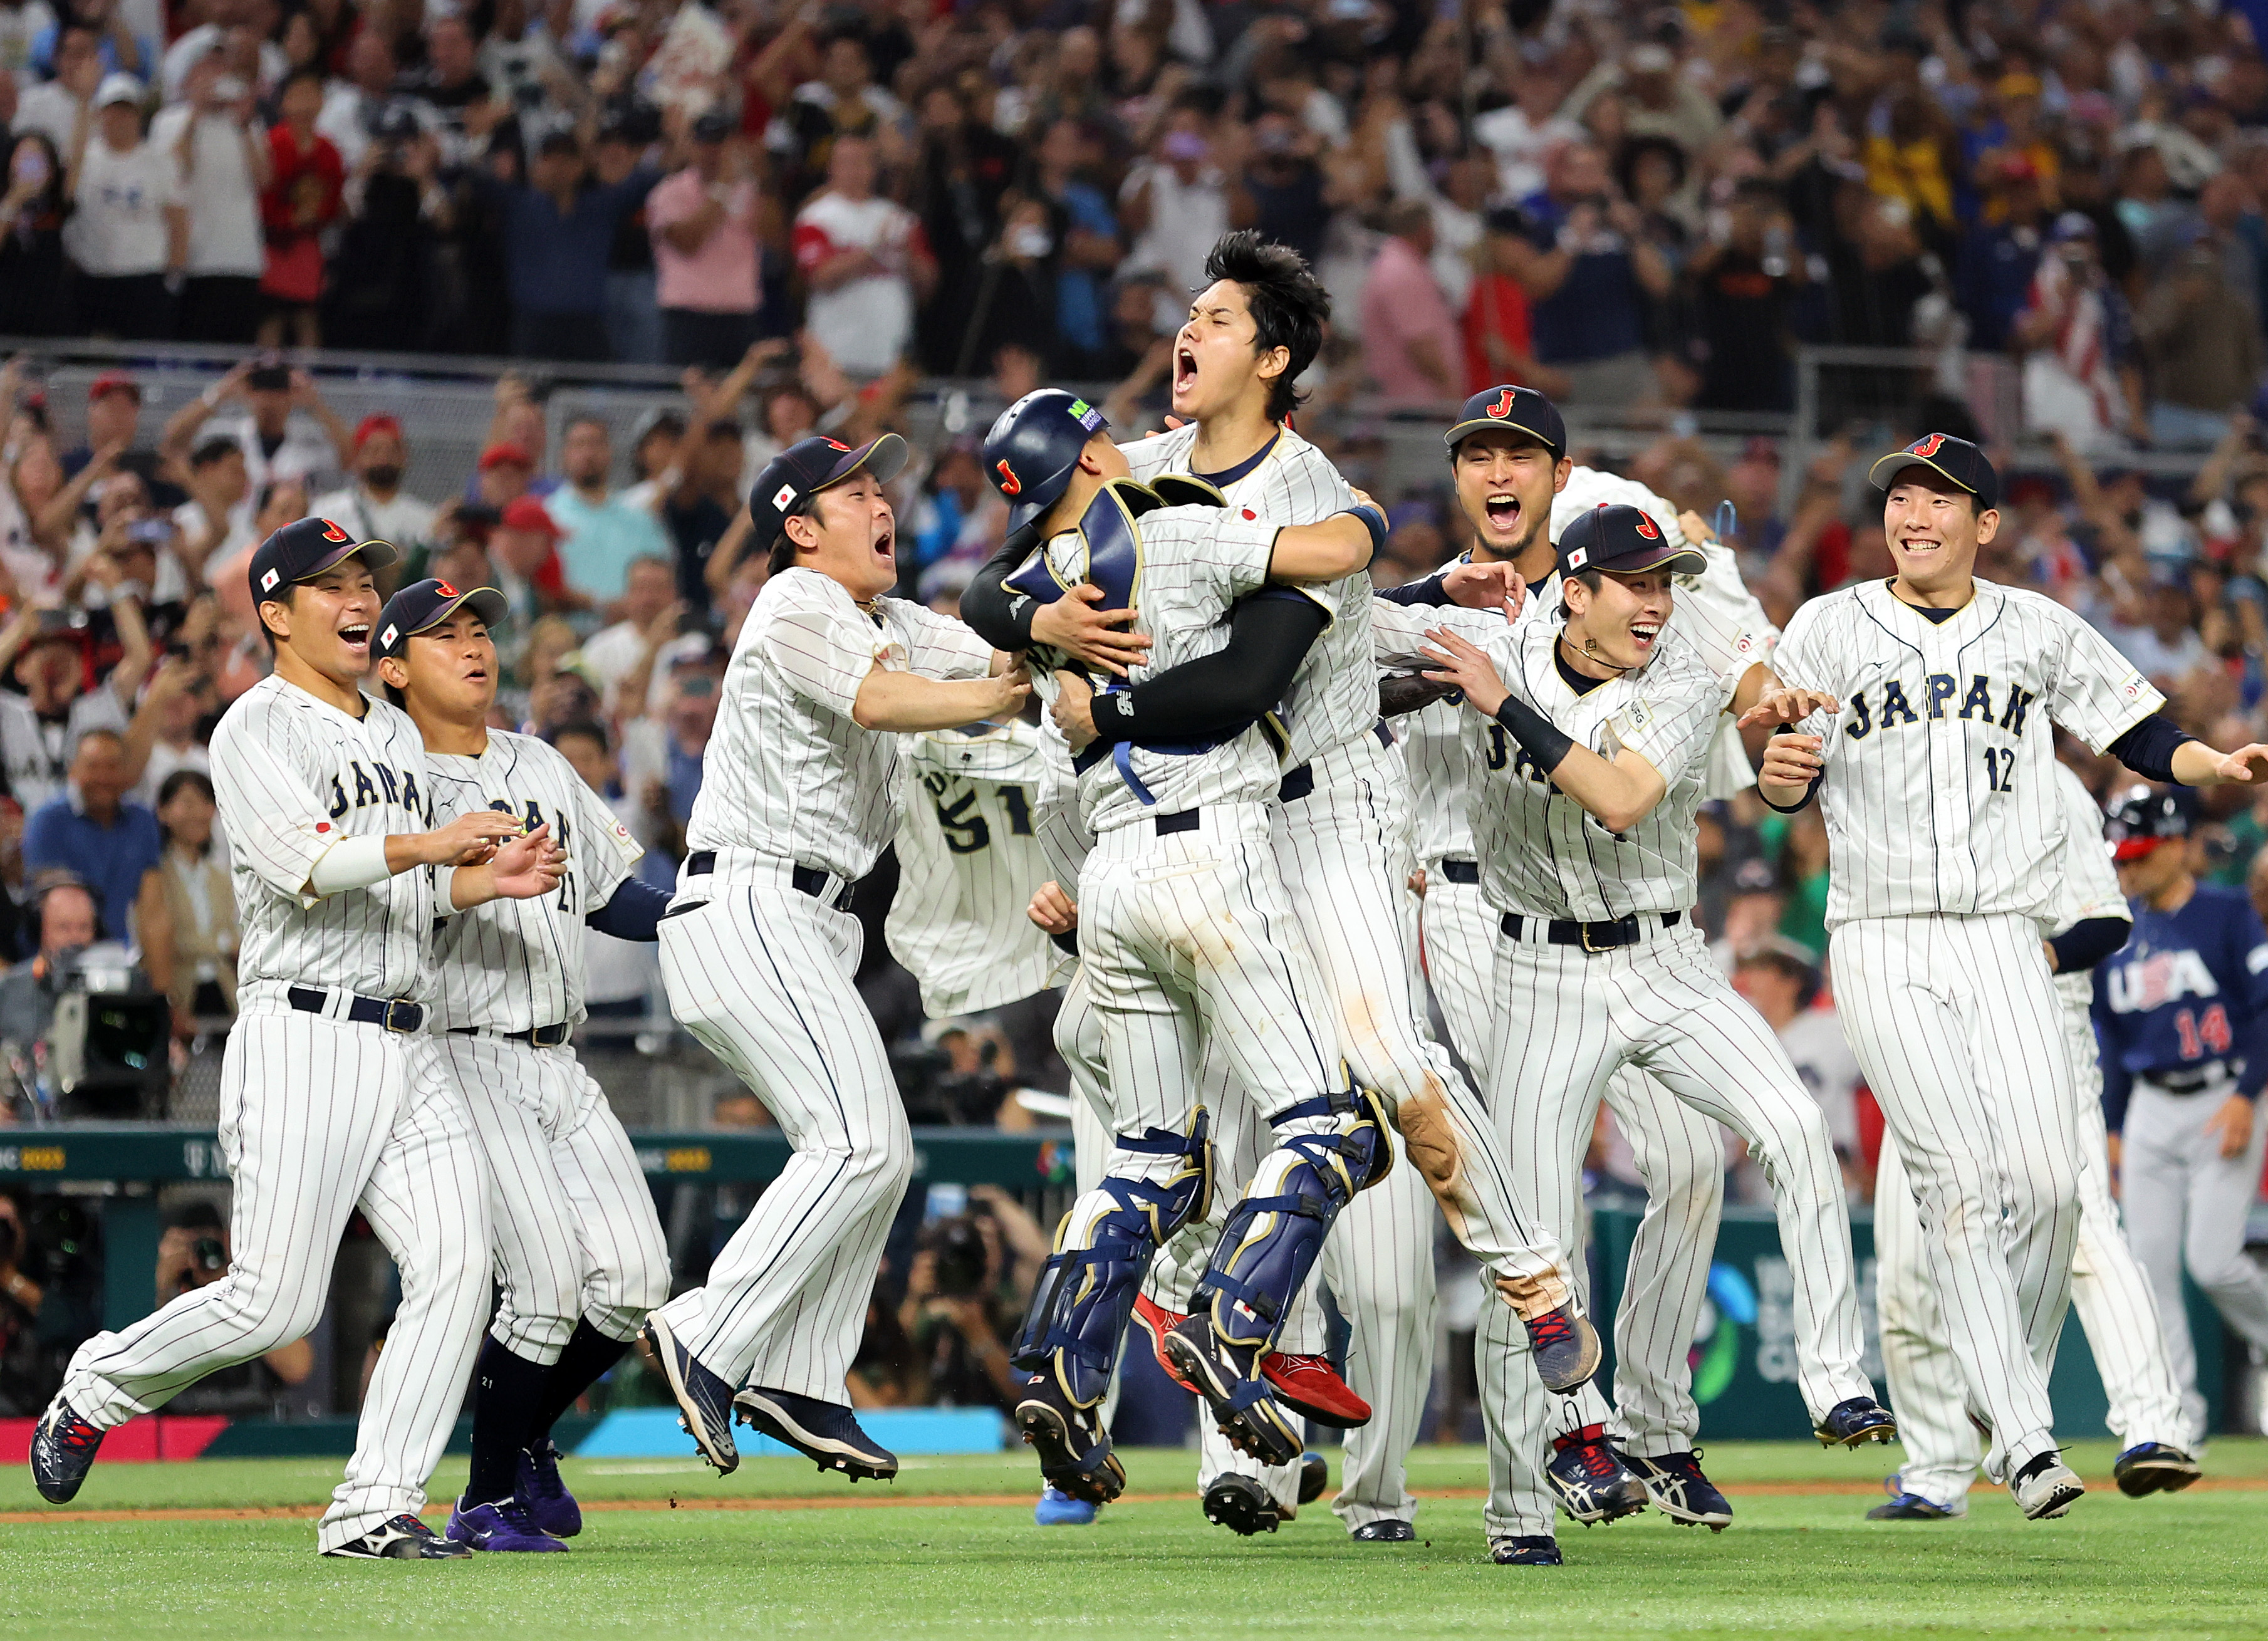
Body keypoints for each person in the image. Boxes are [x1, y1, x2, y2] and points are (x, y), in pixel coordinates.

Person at [965, 249, 1593, 1546]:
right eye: (1186, 316)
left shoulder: (1312, 493)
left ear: (1275, 358)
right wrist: (1047, 632)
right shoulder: (1134, 462)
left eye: (1213, 320)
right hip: (1211, 827)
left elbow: (1280, 645)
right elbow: (989, 584)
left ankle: (1536, 1295)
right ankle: (1229, 1391)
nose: (1183, 336)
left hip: (1328, 806)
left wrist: (1385, 584)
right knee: (1246, 1119)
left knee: (1381, 1069)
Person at [1746, 432, 2268, 1521]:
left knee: (2054, 1186)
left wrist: (2208, 764)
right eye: (1902, 497)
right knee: (1962, 1183)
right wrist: (1782, 775)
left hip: (2000, 934)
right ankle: (2026, 1438)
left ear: (1986, 523)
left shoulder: (2033, 624)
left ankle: (2003, 1388)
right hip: (1883, 932)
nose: (1915, 514)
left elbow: (2134, 725)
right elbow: (1786, 766)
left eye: (1942, 499)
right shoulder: (1829, 624)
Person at [28, 515, 563, 1559]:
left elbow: (407, 884)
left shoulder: (398, 732)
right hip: (303, 1032)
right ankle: (95, 1384)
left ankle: (373, 1506)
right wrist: (430, 841)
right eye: (331, 583)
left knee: (459, 1264)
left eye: (365, 576)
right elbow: (305, 862)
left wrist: (471, 879)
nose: (360, 595)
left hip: (411, 1036)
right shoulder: (252, 727)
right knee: (276, 1303)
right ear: (274, 611)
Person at [1412, 504, 1888, 1567]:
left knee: (1793, 1129)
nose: (1656, 600)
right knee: (1532, 1248)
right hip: (1535, 969)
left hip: (1669, 958)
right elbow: (1356, 649)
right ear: (1572, 590)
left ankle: (1835, 1379)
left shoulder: (1679, 665)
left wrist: (1507, 708)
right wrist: (1420, 615)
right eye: (1633, 582)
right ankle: (1517, 1506)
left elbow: (1622, 796)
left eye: (1664, 579)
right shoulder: (1494, 642)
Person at [974, 390, 1397, 1506]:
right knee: (1334, 1127)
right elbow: (1340, 548)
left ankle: (1061, 1366)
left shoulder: (1041, 579)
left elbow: (985, 597)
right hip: (1212, 854)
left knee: (1156, 1152)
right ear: (1096, 450)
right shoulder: (1175, 514)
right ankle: (1232, 1318)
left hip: (1109, 874)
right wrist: (1366, 514)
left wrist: (1034, 623)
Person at [639, 433, 1027, 1484]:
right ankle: (708, 1331)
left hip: (811, 921)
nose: (878, 500)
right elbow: (883, 701)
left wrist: (1048, 631)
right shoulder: (796, 599)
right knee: (858, 1140)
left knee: (880, 1150)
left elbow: (998, 661)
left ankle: (804, 1374)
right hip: (752, 895)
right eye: (854, 489)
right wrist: (998, 697)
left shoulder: (887, 619)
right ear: (800, 526)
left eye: (879, 486)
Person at [372, 576, 672, 1553]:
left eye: (478, 630)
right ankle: (486, 1497)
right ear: (393, 666)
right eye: (442, 634)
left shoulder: (537, 759)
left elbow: (614, 892)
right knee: (542, 1284)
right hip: (459, 1052)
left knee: (633, 1278)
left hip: (557, 1053)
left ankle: (525, 1430)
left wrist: (708, 911)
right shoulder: (390, 779)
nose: (472, 646)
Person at [1873, 766, 2199, 1521]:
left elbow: (2103, 919)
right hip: (1921, 1032)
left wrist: (2014, 966)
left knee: (2079, 1226)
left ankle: (2152, 1424)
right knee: (1905, 1269)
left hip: (2038, 1024)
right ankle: (1934, 1471)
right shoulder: (1893, 767)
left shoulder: (2048, 785)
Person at [2093, 788, 2268, 1455]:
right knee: (2148, 1270)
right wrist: (2110, 1125)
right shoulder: (2114, 926)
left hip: (2221, 1093)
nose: (2126, 870)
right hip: (2146, 1106)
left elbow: (2262, 1011)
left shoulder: (2224, 913)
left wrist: (2246, 1094)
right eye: (2121, 858)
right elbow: (2107, 1039)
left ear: (2174, 846)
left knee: (2214, 1261)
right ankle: (2174, 1420)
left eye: (2137, 855)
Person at [151, 50, 270, 345]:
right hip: (194, 260)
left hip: (241, 259)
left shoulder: (248, 124)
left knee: (238, 353)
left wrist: (243, 124)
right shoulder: (169, 121)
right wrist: (196, 114)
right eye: (207, 73)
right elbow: (175, 173)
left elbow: (264, 180)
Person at [792, 134, 933, 379]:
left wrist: (907, 254)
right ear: (832, 168)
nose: (854, 170)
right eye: (846, 162)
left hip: (890, 353)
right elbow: (820, 277)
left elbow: (928, 286)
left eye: (862, 162)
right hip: (835, 354)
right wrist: (874, 249)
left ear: (874, 168)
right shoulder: (817, 217)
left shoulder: (899, 218)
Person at [62, 73, 184, 342]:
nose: (120, 118)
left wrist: (174, 274)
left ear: (139, 114)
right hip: (94, 275)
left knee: (145, 359)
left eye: (127, 110)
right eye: (113, 110)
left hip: (145, 276)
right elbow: (67, 193)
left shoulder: (160, 160)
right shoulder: (87, 159)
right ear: (100, 115)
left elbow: (177, 219)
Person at [0, 598, 150, 814]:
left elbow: (140, 658)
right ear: (21, 669)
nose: (59, 660)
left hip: (87, 836)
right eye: (45, 652)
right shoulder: (9, 714)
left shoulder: (96, 710)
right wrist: (21, 627)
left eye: (70, 654)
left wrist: (115, 588)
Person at [647, 110, 763, 369]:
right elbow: (687, 242)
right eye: (705, 144)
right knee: (686, 401)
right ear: (692, 146)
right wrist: (723, 188)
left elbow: (775, 238)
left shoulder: (750, 190)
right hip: (688, 314)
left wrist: (761, 177)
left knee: (742, 403)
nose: (712, 152)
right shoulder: (669, 192)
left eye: (720, 143)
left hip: (739, 312)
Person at [22, 726, 159, 940]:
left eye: (112, 767)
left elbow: (154, 910)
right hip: (61, 956)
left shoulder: (142, 821)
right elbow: (50, 905)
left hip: (120, 956)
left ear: (126, 771)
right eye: (93, 767)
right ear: (73, 770)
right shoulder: (48, 822)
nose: (103, 777)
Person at [134, 767, 238, 1038]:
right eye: (187, 802)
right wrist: (222, 945)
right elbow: (165, 940)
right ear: (163, 812)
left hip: (225, 992)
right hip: (178, 995)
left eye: (206, 803)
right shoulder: (154, 877)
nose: (199, 812)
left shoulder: (221, 876)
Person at [544, 417, 671, 603]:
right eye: (580, 445)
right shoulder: (548, 515)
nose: (588, 453)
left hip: (631, 627)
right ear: (564, 454)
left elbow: (663, 574)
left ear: (610, 452)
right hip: (567, 627)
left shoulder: (639, 518)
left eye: (596, 444)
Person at [309, 415, 437, 560]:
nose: (383, 458)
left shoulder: (426, 519)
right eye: (374, 451)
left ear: (404, 457)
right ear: (357, 458)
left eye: (391, 451)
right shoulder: (327, 512)